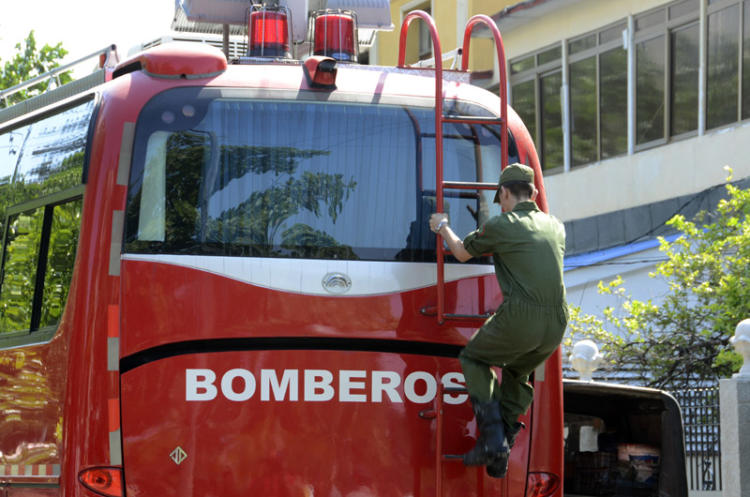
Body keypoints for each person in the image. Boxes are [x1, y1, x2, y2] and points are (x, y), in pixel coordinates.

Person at [429, 163, 567, 478]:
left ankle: (492, 438)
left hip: (522, 316)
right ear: (532, 193)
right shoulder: (556, 226)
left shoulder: (502, 225)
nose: (501, 204)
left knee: (474, 358)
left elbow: (462, 252)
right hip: (556, 324)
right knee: (518, 373)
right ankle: (503, 445)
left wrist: (443, 226)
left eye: (500, 199)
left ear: (505, 193)